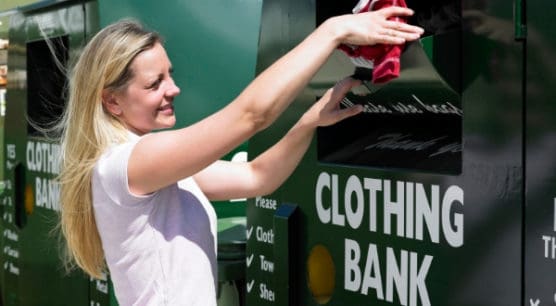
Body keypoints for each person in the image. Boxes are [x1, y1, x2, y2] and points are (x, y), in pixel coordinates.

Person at [56, 6, 423, 306]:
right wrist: (332, 31)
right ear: (112, 101)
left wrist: (309, 122)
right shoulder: (131, 162)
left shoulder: (153, 167)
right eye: (154, 84)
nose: (174, 89)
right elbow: (251, 116)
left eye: (170, 74)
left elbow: (255, 177)